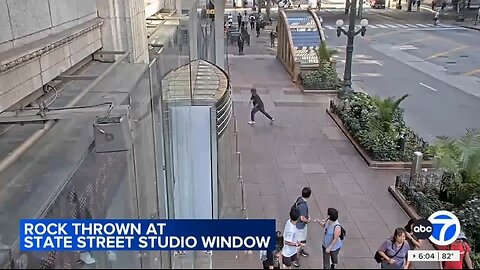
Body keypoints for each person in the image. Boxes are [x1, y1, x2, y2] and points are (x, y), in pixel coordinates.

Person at [292, 187, 312, 267]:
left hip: (300, 225)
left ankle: (301, 250)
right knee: (299, 242)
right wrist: (308, 220)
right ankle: (295, 258)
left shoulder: (299, 199)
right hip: (300, 226)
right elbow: (302, 218)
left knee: (302, 240)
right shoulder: (303, 206)